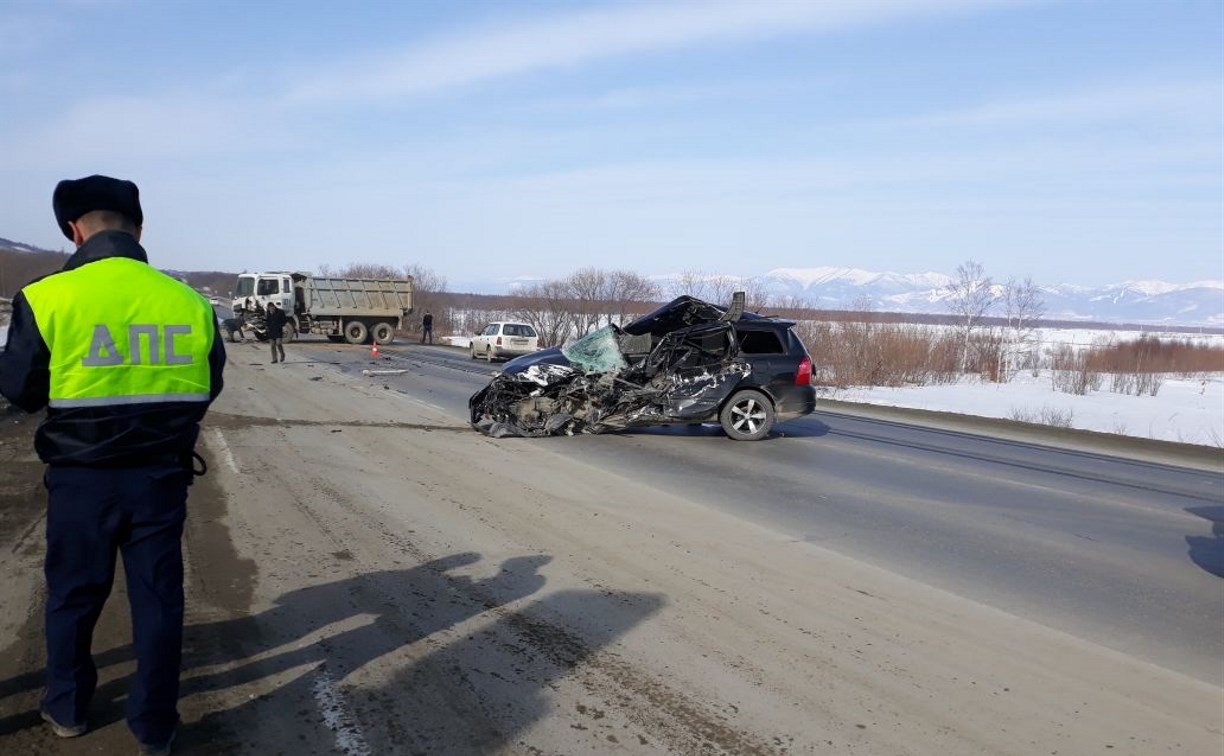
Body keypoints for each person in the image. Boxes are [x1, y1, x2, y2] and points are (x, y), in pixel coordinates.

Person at [0, 175, 226, 756]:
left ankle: (68, 707)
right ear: (139, 228)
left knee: (73, 597)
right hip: (160, 478)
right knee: (157, 597)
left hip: (81, 482)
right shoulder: (191, 303)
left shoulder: (46, 297)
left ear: (73, 231)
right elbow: (207, 386)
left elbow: (20, 391)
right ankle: (154, 724)